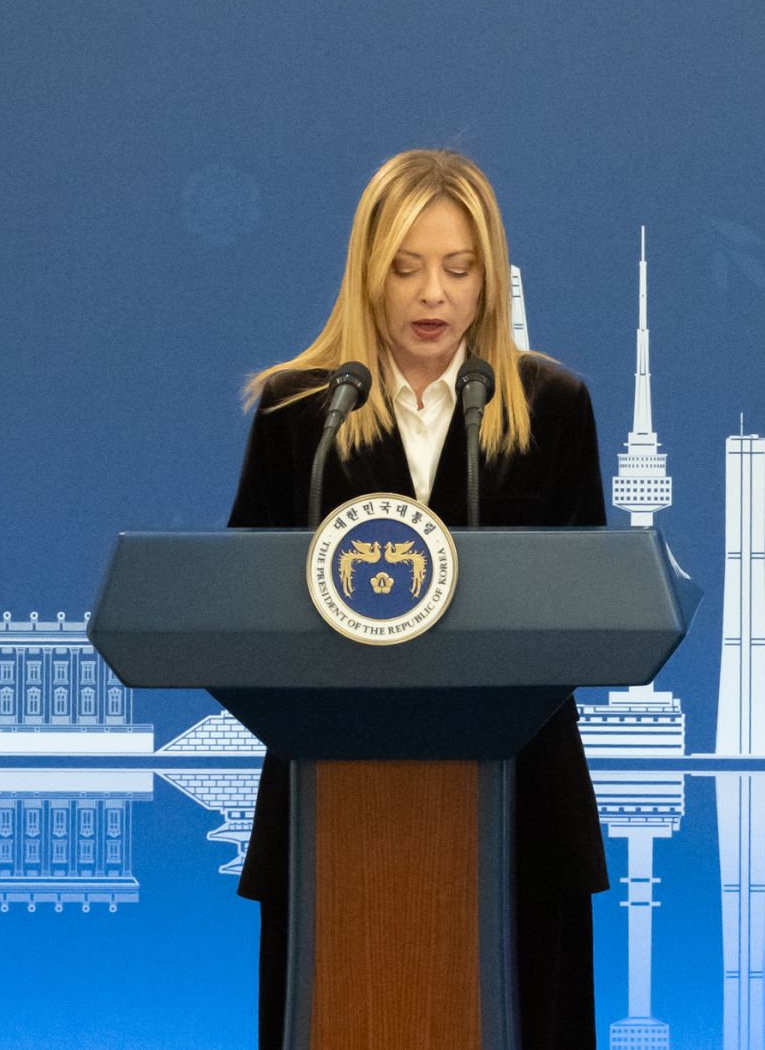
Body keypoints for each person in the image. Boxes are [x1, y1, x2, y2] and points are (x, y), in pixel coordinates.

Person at [226, 148, 610, 1050]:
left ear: (490, 279)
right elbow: (242, 611)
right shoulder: (297, 412)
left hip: (523, 817)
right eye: (405, 268)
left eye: (458, 268)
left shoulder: (552, 407)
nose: (432, 294)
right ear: (368, 272)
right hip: (333, 818)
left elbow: (592, 609)